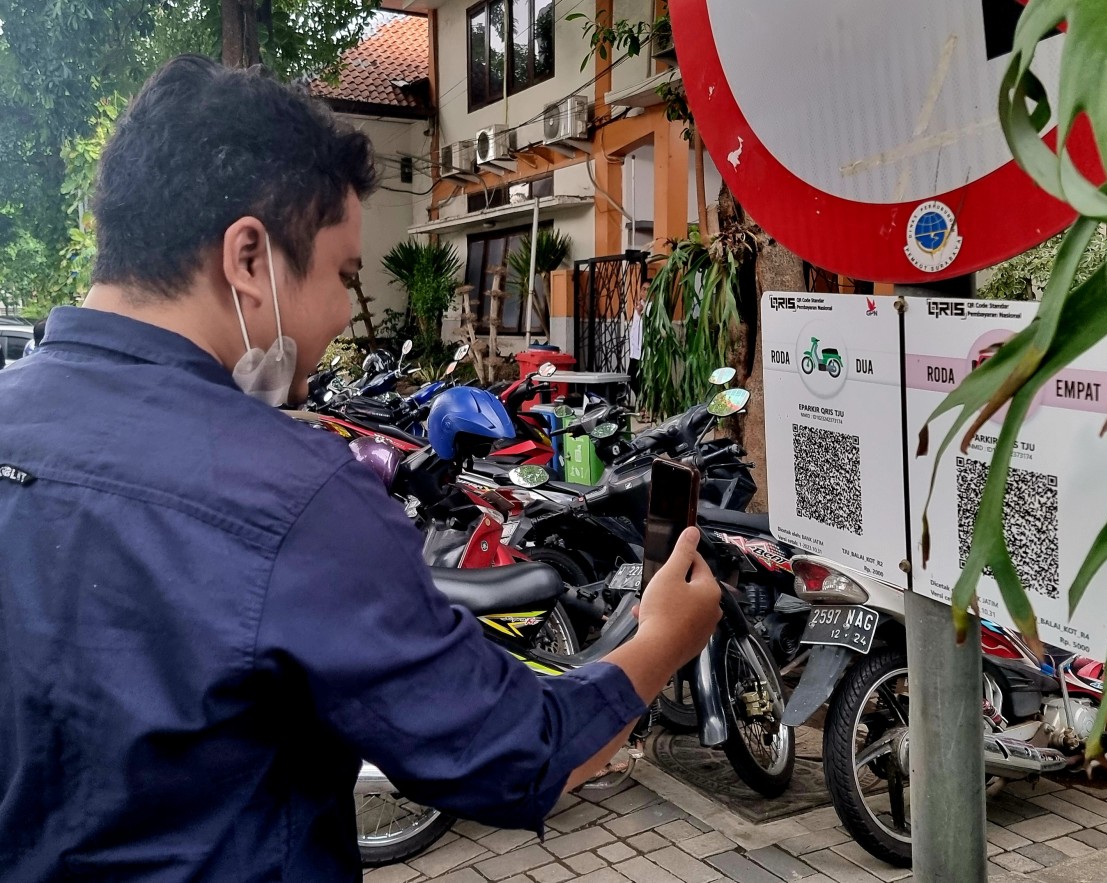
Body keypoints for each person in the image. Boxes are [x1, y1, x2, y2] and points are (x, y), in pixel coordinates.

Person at [0, 56, 722, 882]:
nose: (347, 311)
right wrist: (662, 639)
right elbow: (514, 754)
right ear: (248, 257)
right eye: (344, 275)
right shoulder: (291, 494)